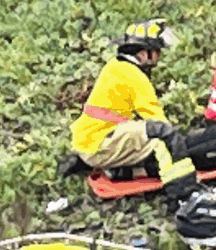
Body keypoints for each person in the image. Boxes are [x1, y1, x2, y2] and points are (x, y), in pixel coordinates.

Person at [63, 19, 199, 210]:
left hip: (90, 142)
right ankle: (181, 193)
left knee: (151, 141)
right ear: (143, 53)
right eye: (156, 52)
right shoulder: (135, 76)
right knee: (163, 136)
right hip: (102, 144)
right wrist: (180, 143)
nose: (158, 57)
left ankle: (122, 172)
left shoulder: (115, 66)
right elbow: (157, 121)